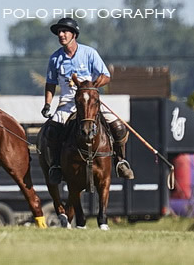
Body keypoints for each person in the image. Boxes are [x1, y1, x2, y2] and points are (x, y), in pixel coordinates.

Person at [41, 17, 134, 184]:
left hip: (89, 101)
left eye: (64, 31)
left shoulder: (89, 53)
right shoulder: (55, 58)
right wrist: (47, 104)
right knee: (52, 130)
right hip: (68, 102)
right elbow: (50, 84)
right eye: (59, 32)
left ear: (74, 34)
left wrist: (92, 88)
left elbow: (106, 76)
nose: (61, 35)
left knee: (118, 126)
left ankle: (120, 161)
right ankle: (56, 165)